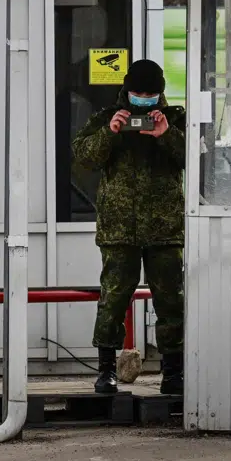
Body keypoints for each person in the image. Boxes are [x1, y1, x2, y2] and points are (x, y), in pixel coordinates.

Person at [72, 58, 186, 397]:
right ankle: (106, 370)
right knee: (113, 298)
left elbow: (197, 158)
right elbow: (84, 157)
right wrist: (112, 133)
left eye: (150, 94)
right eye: (138, 92)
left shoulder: (177, 120)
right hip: (119, 229)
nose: (144, 99)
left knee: (170, 300)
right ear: (127, 90)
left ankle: (173, 373)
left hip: (164, 229)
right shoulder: (107, 118)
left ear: (160, 94)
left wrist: (167, 135)